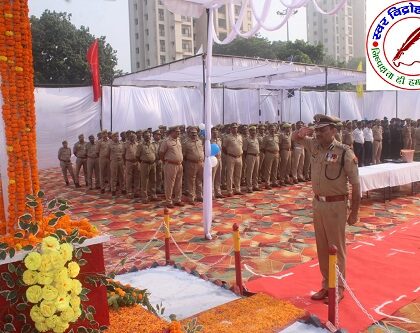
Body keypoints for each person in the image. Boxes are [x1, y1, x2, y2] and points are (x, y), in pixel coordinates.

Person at [293, 114, 360, 303]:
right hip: (318, 204)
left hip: (336, 205)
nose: (318, 133)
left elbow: (356, 185)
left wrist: (354, 212)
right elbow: (295, 139)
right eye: (317, 130)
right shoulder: (314, 146)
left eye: (323, 130)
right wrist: (299, 132)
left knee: (336, 248)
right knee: (322, 248)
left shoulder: (344, 152)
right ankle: (326, 285)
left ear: (333, 130)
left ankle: (338, 288)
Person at [159, 126, 184, 208]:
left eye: (179, 131)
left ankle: (178, 199)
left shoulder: (178, 140)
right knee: (170, 184)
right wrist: (166, 161)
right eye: (177, 131)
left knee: (179, 184)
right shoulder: (166, 141)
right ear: (172, 132)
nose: (179, 133)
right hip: (170, 165)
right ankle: (168, 201)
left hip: (179, 165)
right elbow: (161, 153)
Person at [182, 127, 204, 204]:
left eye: (195, 133)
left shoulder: (200, 141)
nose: (194, 134)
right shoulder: (186, 143)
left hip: (200, 163)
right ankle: (191, 197)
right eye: (192, 133)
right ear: (189, 133)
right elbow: (183, 155)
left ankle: (199, 196)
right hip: (191, 163)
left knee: (199, 180)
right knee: (191, 181)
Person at [222, 123, 243, 196]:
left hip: (239, 157)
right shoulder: (227, 137)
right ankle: (229, 190)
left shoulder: (240, 136)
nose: (235, 129)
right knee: (230, 174)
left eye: (236, 128)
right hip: (231, 157)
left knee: (238, 174)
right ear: (230, 129)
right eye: (233, 128)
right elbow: (224, 148)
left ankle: (237, 189)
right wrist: (229, 153)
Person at [137, 131, 158, 203]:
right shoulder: (140, 145)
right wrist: (143, 161)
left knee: (153, 180)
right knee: (144, 181)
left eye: (149, 136)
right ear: (143, 137)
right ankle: (144, 197)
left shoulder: (152, 144)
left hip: (153, 164)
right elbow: (137, 156)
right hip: (145, 164)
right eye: (146, 136)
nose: (148, 137)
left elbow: (155, 154)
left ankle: (153, 195)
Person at [261, 123, 280, 189]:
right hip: (269, 154)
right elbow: (262, 148)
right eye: (271, 129)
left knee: (275, 168)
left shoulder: (277, 136)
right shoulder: (266, 138)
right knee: (268, 169)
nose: (273, 130)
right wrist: (268, 152)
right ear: (268, 130)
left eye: (274, 129)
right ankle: (267, 183)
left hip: (276, 153)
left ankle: (274, 182)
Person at [243, 126, 260, 193]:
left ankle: (255, 186)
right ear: (249, 131)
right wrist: (245, 159)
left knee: (256, 172)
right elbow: (244, 151)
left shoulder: (256, 139)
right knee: (249, 172)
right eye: (252, 130)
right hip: (250, 156)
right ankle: (249, 187)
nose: (254, 132)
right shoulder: (247, 140)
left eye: (254, 130)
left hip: (257, 156)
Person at [123, 133, 139, 198]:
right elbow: (123, 154)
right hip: (128, 162)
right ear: (129, 138)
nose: (132, 138)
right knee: (129, 178)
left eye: (134, 137)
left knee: (137, 177)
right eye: (131, 137)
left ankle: (136, 191)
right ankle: (129, 192)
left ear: (135, 138)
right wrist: (125, 162)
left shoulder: (137, 144)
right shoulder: (126, 145)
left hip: (136, 162)